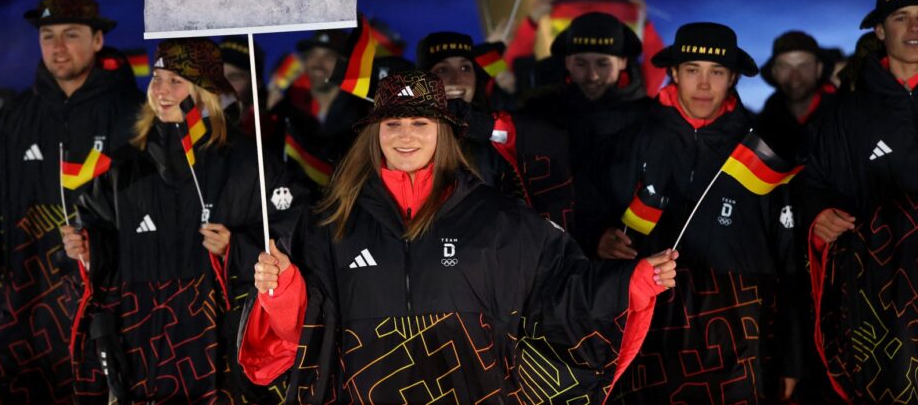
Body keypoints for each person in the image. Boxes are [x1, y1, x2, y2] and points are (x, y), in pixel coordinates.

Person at [237, 70, 678, 403]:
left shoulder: (499, 219)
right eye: (392, 125)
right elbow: (303, 333)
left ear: (443, 133)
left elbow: (561, 291)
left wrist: (632, 283)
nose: (405, 136)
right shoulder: (327, 225)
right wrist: (282, 290)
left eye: (420, 124)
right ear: (374, 134)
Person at [0, 0, 142, 404]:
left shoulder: (136, 118)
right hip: (21, 329)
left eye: (71, 34)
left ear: (98, 40)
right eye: (48, 36)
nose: (58, 48)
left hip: (113, 325)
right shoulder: (7, 125)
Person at [62, 37, 306, 404]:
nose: (161, 90)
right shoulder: (125, 166)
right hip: (142, 346)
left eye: (175, 81)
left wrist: (236, 247)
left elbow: (297, 228)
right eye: (157, 78)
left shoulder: (248, 160)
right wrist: (89, 246)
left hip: (219, 351)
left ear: (206, 90)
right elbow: (101, 232)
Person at [595, 22, 801, 404]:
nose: (704, 85)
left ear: (733, 77)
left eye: (717, 73)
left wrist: (792, 358)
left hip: (739, 336)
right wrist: (600, 238)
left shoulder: (760, 149)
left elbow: (789, 259)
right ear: (674, 73)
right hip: (651, 330)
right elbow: (593, 222)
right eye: (693, 70)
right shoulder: (632, 139)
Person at [805, 0, 918, 403]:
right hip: (887, 303)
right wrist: (818, 212)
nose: (915, 27)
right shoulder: (845, 113)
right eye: (900, 18)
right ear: (880, 31)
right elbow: (813, 182)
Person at [416, 31, 573, 228]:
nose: (456, 79)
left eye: (466, 68)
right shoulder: (403, 140)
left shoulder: (495, 138)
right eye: (442, 70)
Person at [523, 12, 650, 254]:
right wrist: (590, 239)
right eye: (581, 64)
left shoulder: (650, 118)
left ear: (623, 61)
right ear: (568, 62)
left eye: (603, 64)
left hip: (633, 257)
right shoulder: (539, 114)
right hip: (556, 255)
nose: (592, 76)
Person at [266, 30, 370, 186]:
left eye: (328, 56)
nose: (317, 64)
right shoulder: (288, 108)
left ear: (344, 63)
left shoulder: (363, 111)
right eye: (312, 55)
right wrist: (270, 115)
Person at [756, 31, 837, 162]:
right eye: (785, 67)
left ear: (819, 69)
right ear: (774, 72)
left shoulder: (844, 116)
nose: (795, 76)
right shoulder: (761, 129)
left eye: (804, 66)